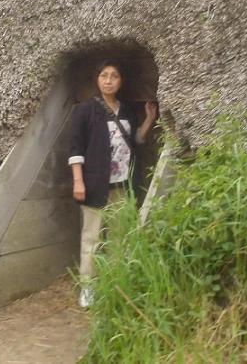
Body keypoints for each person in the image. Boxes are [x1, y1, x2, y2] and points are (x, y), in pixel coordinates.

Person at [68, 59, 157, 308]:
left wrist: (149, 119)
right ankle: (88, 287)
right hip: (94, 183)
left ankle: (114, 281)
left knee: (119, 235)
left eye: (114, 76)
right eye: (104, 76)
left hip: (123, 183)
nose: (109, 81)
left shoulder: (126, 110)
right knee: (92, 237)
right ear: (97, 79)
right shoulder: (85, 110)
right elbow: (75, 148)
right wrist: (78, 181)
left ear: (121, 81)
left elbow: (135, 140)